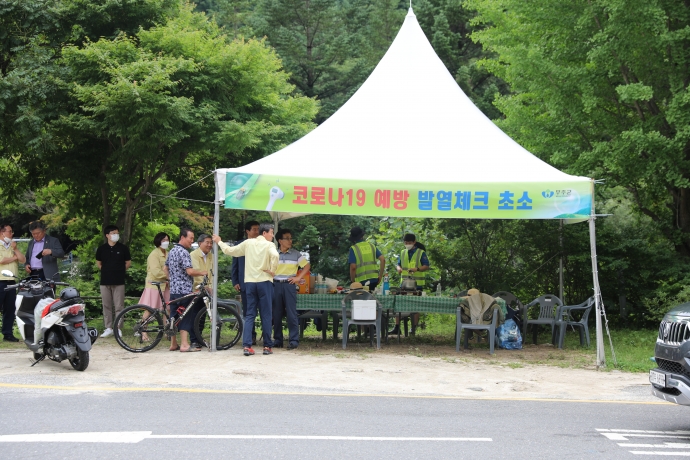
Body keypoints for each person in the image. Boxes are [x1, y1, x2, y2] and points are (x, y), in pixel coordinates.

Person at [213, 223, 278, 357]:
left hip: (249, 283)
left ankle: (247, 346)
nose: (272, 235)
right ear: (264, 233)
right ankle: (267, 346)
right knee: (266, 314)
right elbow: (275, 256)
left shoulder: (248, 243)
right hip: (264, 282)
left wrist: (219, 242)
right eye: (271, 232)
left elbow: (230, 251)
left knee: (249, 314)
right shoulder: (269, 245)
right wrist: (272, 270)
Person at [165, 228, 208, 352]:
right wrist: (202, 272)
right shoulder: (184, 252)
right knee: (185, 316)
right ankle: (184, 344)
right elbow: (189, 271)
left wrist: (172, 279)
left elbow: (165, 268)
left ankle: (173, 344)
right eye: (191, 238)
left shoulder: (172, 251)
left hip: (174, 290)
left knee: (174, 316)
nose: (192, 241)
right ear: (182, 237)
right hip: (184, 290)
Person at [272, 228, 310, 350]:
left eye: (290, 238)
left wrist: (298, 277)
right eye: (287, 238)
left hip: (289, 285)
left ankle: (293, 340)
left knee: (291, 313)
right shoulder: (273, 253)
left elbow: (307, 266)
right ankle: (278, 340)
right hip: (275, 284)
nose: (290, 241)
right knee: (276, 313)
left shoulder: (296, 253)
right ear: (280, 241)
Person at [389, 233, 430, 336]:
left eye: (409, 243)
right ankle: (397, 327)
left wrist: (417, 269)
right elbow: (399, 264)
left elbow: (426, 266)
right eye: (406, 243)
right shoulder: (403, 252)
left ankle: (413, 328)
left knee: (415, 306)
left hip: (417, 284)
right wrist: (398, 268)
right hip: (404, 284)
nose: (407, 244)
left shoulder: (421, 253)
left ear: (414, 242)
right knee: (398, 303)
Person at [96, 225, 131, 338]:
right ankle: (108, 328)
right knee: (106, 305)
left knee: (119, 305)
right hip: (105, 281)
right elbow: (99, 263)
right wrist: (107, 271)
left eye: (117, 233)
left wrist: (119, 271)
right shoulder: (101, 249)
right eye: (113, 233)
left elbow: (128, 263)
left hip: (119, 281)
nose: (116, 235)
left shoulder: (123, 248)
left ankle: (118, 328)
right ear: (107, 235)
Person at [231, 220, 260, 344]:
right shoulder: (240, 244)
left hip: (260, 281)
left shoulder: (262, 244)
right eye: (254, 229)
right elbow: (235, 265)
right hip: (244, 282)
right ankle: (251, 335)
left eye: (258, 229)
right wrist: (235, 281)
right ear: (247, 231)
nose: (257, 232)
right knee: (248, 310)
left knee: (261, 309)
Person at [138, 232, 170, 342]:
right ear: (158, 241)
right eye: (163, 240)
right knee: (150, 309)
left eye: (167, 240)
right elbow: (156, 272)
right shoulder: (154, 254)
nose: (166, 242)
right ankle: (143, 332)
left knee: (167, 309)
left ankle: (167, 332)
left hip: (166, 285)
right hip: (154, 285)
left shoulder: (168, 253)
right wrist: (168, 276)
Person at [0, 224, 26, 341]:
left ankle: (7, 333)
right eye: (10, 232)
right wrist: (14, 258)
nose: (12, 234)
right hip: (0, 281)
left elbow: (23, 259)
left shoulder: (12, 246)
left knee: (10, 308)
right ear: (2, 233)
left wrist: (15, 250)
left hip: (11, 281)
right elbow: (2, 260)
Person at [348, 226, 385, 291]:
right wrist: (380, 276)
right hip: (374, 280)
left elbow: (353, 267)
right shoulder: (372, 246)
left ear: (353, 239)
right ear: (362, 236)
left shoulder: (353, 249)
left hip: (360, 283)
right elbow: (383, 259)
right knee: (372, 299)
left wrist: (353, 281)